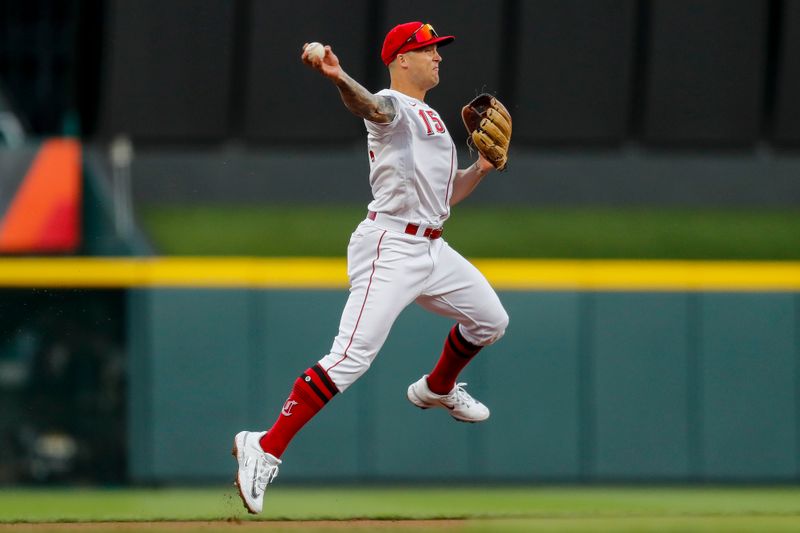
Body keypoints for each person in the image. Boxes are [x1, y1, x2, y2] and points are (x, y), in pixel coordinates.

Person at [233, 21, 509, 514]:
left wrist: (480, 171)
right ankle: (265, 446)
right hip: (390, 247)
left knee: (491, 320)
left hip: (431, 247)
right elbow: (370, 106)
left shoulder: (435, 122)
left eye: (438, 49)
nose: (438, 56)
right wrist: (339, 76)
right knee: (350, 358)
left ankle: (437, 388)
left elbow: (443, 200)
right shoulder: (393, 106)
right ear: (403, 58)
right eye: (428, 49)